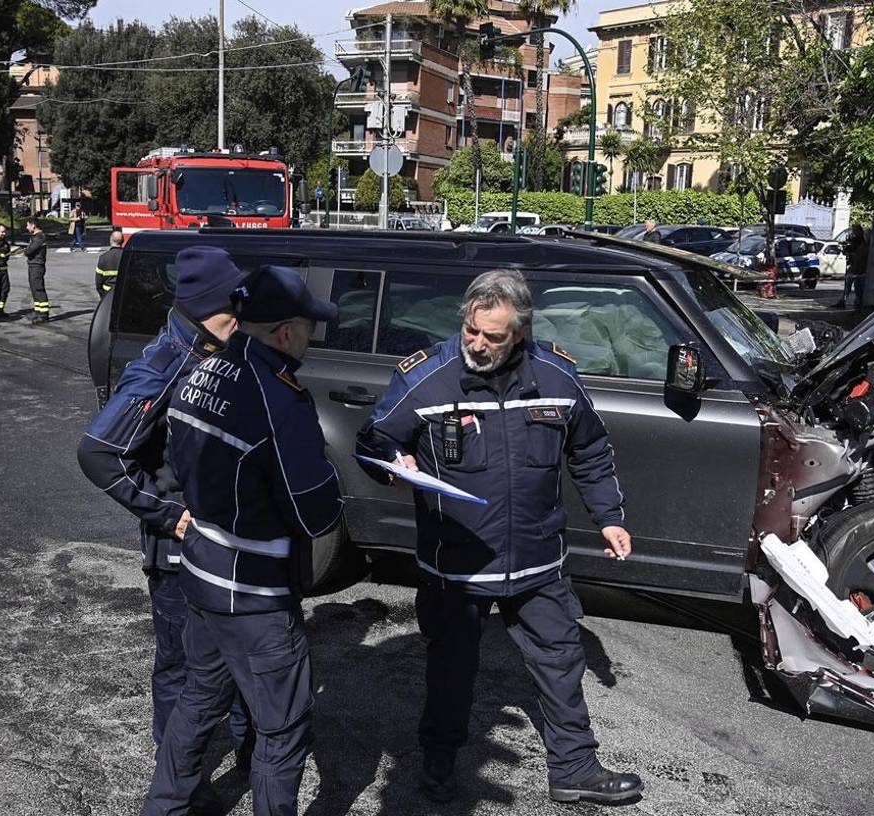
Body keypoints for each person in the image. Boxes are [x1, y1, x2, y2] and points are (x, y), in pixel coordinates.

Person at [355, 269, 643, 805]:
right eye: (471, 331)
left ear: (521, 333)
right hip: (458, 567)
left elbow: (590, 452)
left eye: (493, 336)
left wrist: (609, 516)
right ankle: (438, 764)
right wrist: (393, 462)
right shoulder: (426, 379)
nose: (478, 345)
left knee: (560, 662)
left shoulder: (557, 377)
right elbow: (371, 443)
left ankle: (574, 769)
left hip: (538, 562)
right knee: (451, 671)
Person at [143, 265, 343, 816]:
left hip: (199, 569)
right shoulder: (282, 398)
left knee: (199, 699)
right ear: (284, 332)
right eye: (308, 326)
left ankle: (164, 807)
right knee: (283, 727)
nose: (311, 336)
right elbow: (313, 512)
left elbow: (177, 462)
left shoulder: (202, 370)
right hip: (252, 588)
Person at [77, 247, 252, 808]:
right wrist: (168, 514)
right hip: (179, 555)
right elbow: (99, 452)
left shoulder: (212, 347)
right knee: (181, 667)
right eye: (235, 304)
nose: (244, 314)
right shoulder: (163, 363)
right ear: (207, 308)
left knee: (241, 655)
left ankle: (249, 751)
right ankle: (181, 778)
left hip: (228, 544)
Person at [23, 219, 50, 322]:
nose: (27, 228)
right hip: (33, 265)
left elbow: (29, 251)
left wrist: (26, 250)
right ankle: (38, 311)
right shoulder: (35, 237)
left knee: (38, 289)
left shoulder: (39, 237)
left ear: (33, 226)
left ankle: (43, 314)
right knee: (34, 289)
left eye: (28, 225)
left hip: (37, 266)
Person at [835, 224, 868, 309]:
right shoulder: (856, 241)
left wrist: (850, 252)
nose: (853, 232)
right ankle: (845, 301)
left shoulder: (861, 242)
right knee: (850, 287)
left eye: (855, 230)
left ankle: (858, 303)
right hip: (854, 268)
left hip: (860, 269)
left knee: (859, 288)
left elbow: (858, 254)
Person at [95, 228, 124, 297]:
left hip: (107, 293)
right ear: (123, 241)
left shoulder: (103, 257)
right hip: (123, 295)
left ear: (111, 241)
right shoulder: (127, 257)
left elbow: (98, 282)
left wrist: (103, 296)